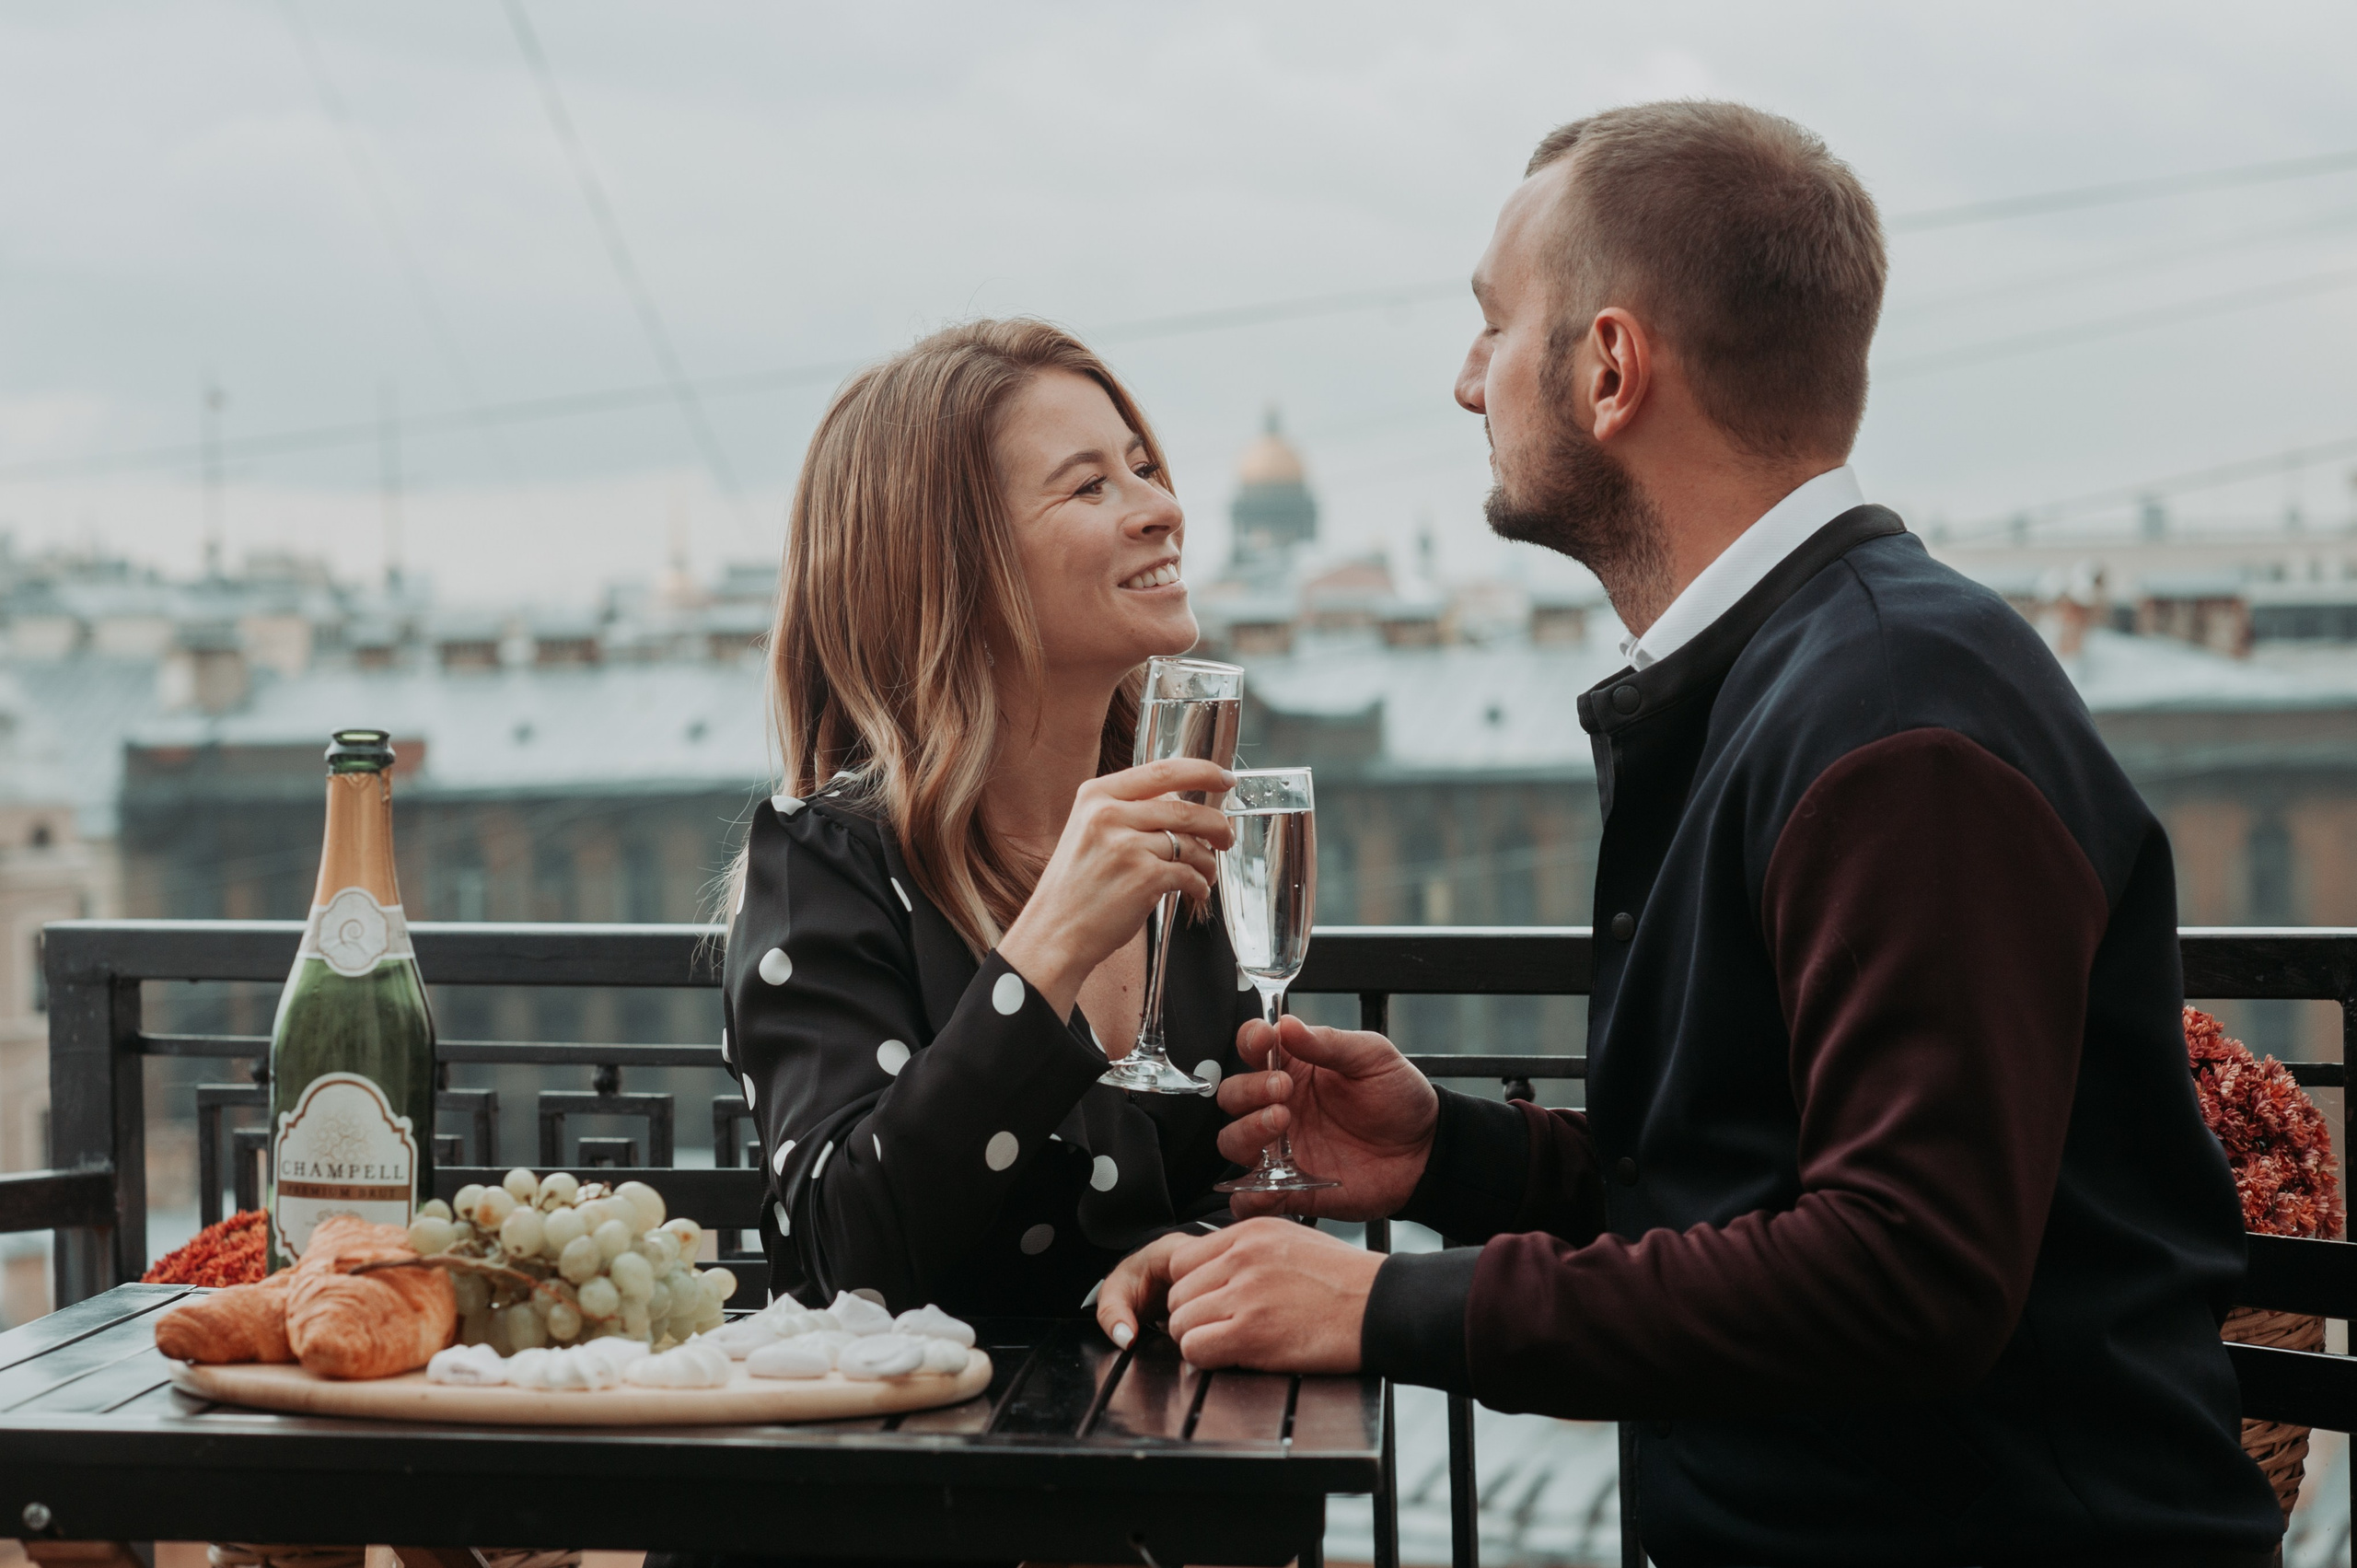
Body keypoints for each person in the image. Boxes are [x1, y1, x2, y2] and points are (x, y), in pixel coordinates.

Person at [1098, 102, 2286, 1562]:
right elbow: (1761, 1184)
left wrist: (1375, 1303)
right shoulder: (1819, 679)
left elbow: (1904, 1271)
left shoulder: (1897, 721)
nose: (1466, 379)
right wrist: (1451, 1158)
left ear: (1609, 365)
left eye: (1491, 323)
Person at [722, 318, 1255, 1321]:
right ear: (951, 565)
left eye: (1142, 468)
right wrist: (1046, 948)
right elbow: (848, 1264)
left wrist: (1200, 1240)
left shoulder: (1170, 837)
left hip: (1189, 1456)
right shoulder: (826, 861)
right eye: (1090, 484)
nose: (1162, 508)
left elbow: (1211, 1199)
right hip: (946, 1469)